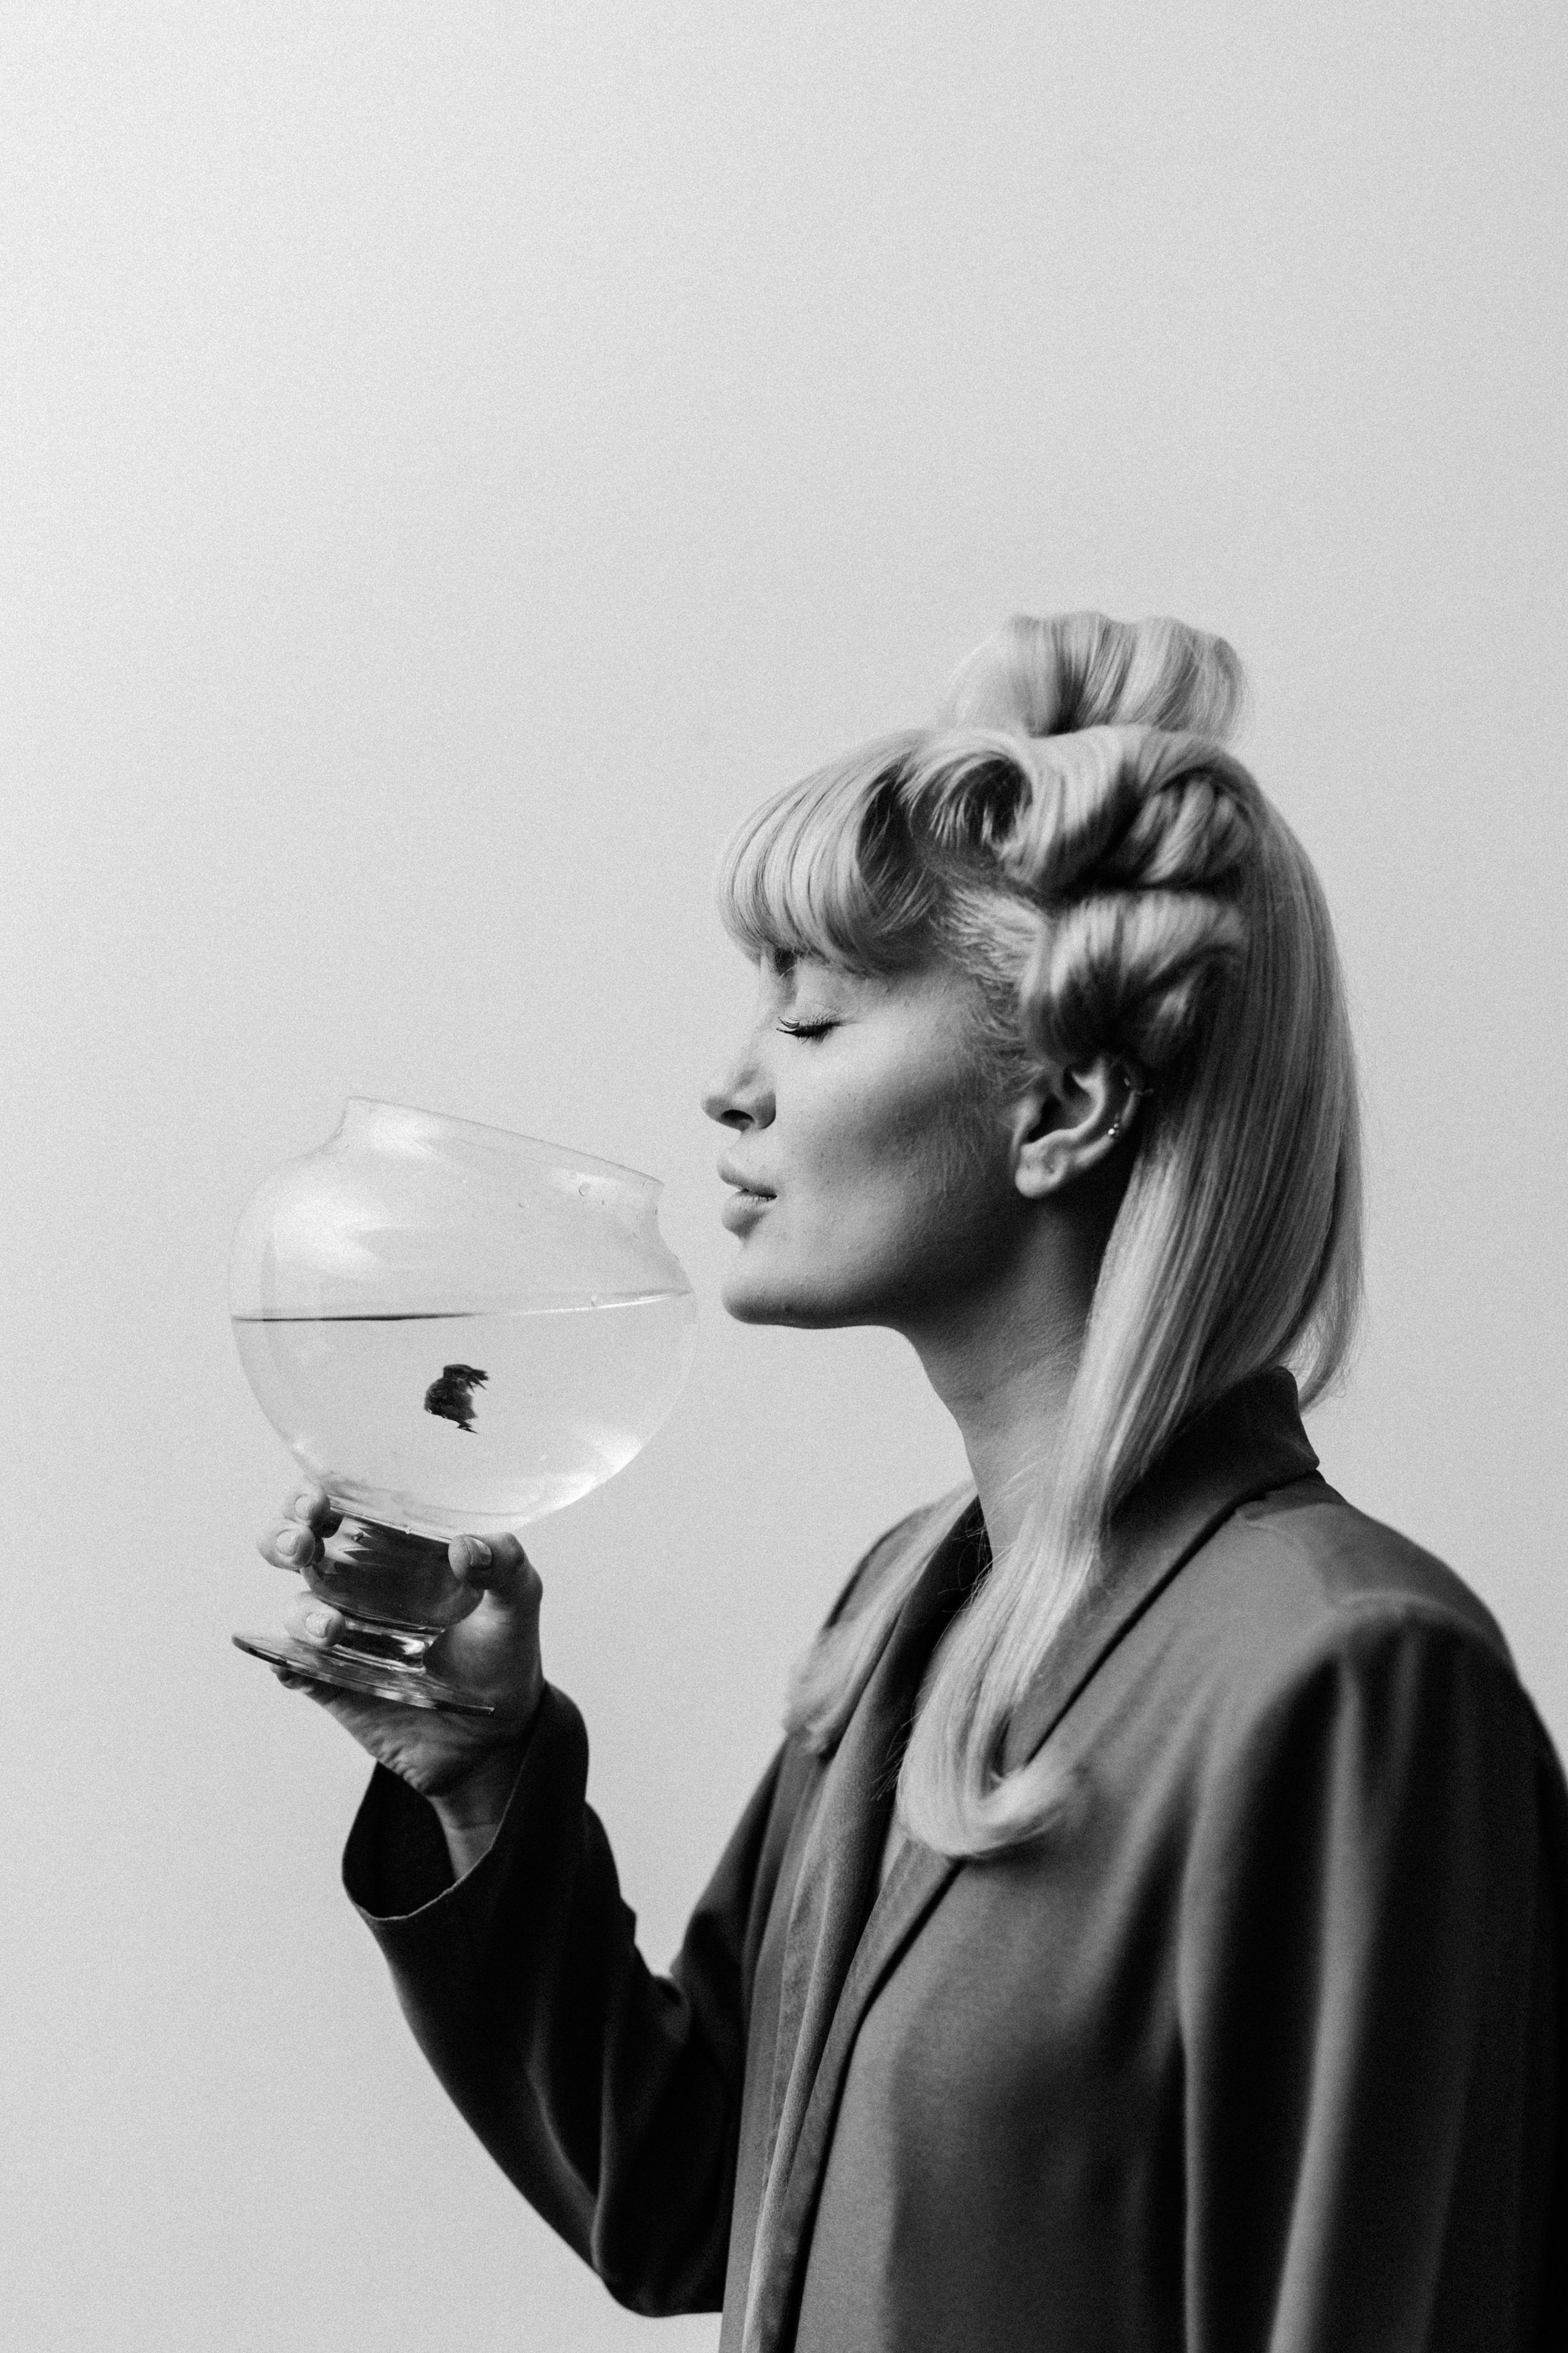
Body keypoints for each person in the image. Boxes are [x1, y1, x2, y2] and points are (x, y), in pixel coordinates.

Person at [260, 611, 1567, 2352]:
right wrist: (478, 1777)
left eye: (808, 1019)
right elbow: (679, 2201)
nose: (729, 1087)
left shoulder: (1349, 1683)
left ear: (1065, 1108)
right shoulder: (907, 1605)